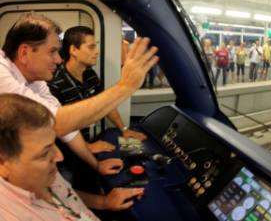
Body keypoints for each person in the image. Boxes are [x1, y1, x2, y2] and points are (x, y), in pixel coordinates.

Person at [0, 12, 158, 209]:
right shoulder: (1, 73)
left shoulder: (36, 79)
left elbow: (63, 126)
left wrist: (96, 165)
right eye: (52, 52)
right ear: (24, 53)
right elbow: (57, 122)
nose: (58, 60)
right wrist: (125, 86)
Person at [0, 93, 144, 220]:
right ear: (2, 163)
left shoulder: (39, 173)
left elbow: (65, 193)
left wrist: (103, 202)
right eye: (44, 153)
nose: (59, 157)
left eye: (53, 144)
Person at [48, 26, 146, 192]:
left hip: (94, 146)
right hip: (70, 156)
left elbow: (105, 105)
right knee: (75, 194)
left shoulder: (90, 74)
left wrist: (124, 129)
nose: (97, 52)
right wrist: (86, 146)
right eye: (91, 47)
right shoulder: (54, 83)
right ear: (73, 50)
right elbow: (57, 127)